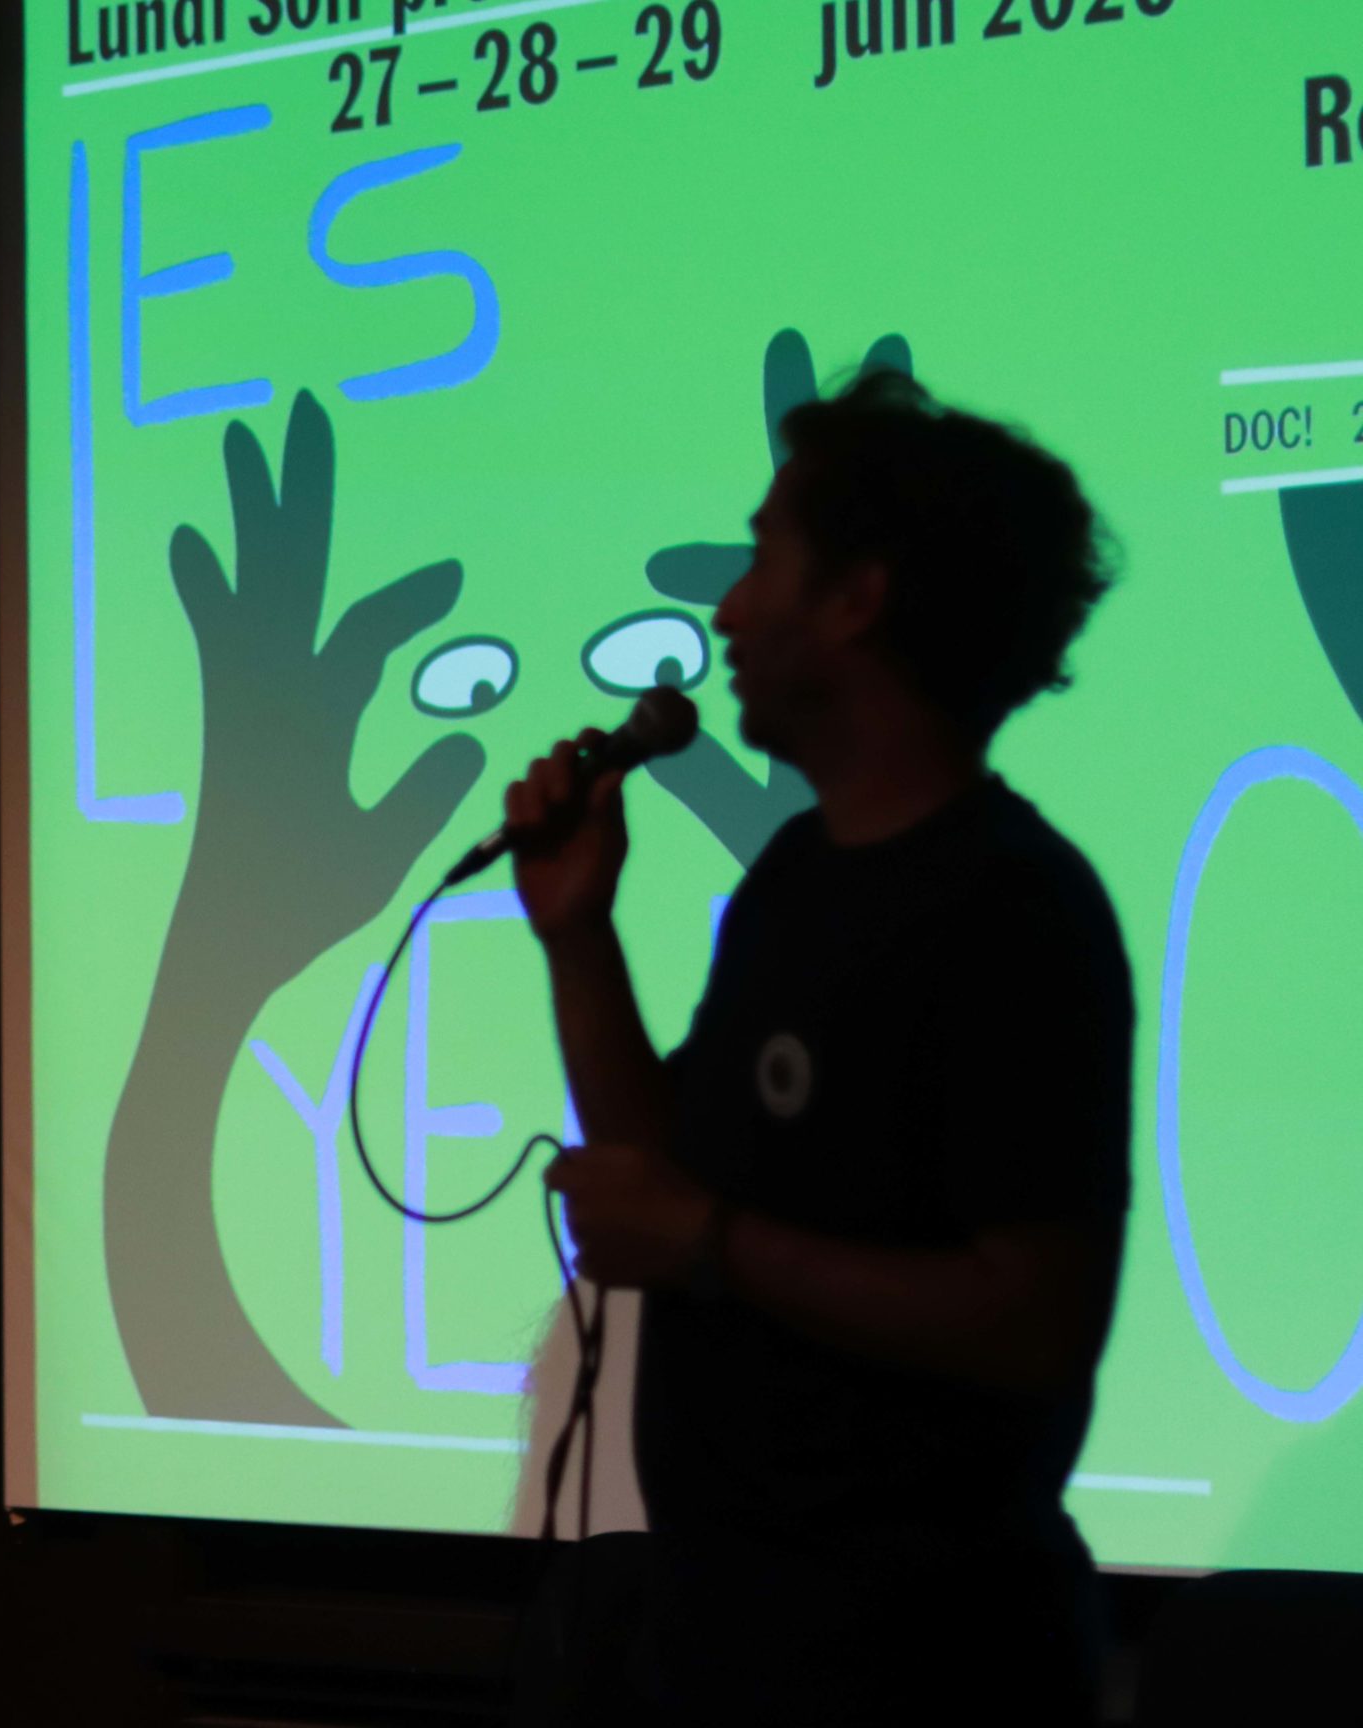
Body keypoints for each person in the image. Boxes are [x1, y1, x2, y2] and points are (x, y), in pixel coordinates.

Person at [508, 372, 1129, 1724]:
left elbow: (1033, 1319)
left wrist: (711, 1244)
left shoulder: (1016, 910)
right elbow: (669, 1171)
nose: (727, 610)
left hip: (919, 1678)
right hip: (726, 1649)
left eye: (762, 559)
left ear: (856, 597)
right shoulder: (797, 876)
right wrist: (576, 935)